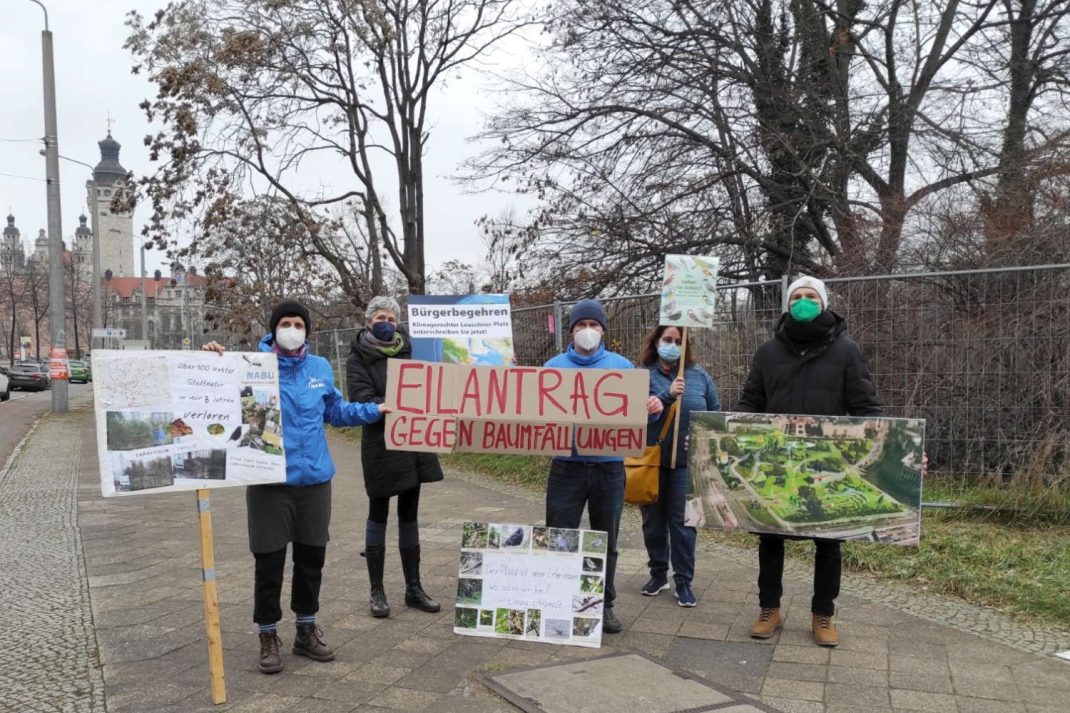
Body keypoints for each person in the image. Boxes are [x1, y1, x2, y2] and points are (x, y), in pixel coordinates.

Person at [204, 299, 389, 675]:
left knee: (311, 562)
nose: (292, 329)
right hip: (269, 482)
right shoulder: (252, 367)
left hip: (315, 482)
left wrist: (375, 410)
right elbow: (215, 398)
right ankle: (267, 634)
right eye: (285, 323)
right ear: (274, 330)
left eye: (298, 324)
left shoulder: (319, 368)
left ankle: (306, 629)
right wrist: (212, 360)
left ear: (307, 330)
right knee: (269, 562)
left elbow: (336, 412)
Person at [735, 276, 882, 647]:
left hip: (826, 462)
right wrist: (732, 432)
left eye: (810, 296)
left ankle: (823, 613)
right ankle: (770, 608)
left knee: (828, 540)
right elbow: (750, 402)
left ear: (824, 303)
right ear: (787, 305)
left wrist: (890, 446)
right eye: (796, 297)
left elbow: (866, 409)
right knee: (770, 536)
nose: (803, 301)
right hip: (776, 461)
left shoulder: (846, 351)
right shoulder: (768, 352)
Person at [543, 299, 664, 634]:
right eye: (581, 325)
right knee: (559, 536)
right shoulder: (553, 367)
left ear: (603, 331)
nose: (587, 331)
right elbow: (535, 411)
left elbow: (641, 411)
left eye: (594, 326)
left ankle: (603, 605)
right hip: (565, 466)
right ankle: (557, 600)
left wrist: (653, 407)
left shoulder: (623, 367)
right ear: (571, 331)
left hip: (609, 468)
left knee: (605, 539)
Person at [346, 295, 444, 619]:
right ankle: (377, 591)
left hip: (413, 441)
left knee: (410, 514)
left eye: (391, 317)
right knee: (378, 513)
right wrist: (389, 403)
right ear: (369, 321)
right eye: (380, 317)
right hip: (380, 444)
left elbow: (434, 385)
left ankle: (413, 587)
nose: (386, 322)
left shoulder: (411, 350)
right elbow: (361, 397)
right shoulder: (358, 356)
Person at [638, 325, 720, 607]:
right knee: (653, 523)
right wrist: (666, 396)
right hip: (651, 463)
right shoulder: (642, 375)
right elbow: (634, 414)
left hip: (687, 464)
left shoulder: (699, 377)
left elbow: (714, 415)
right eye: (667, 339)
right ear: (656, 341)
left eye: (677, 341)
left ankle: (683, 581)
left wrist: (700, 439)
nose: (672, 345)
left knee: (685, 524)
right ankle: (658, 573)